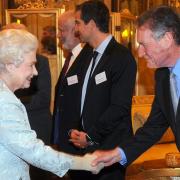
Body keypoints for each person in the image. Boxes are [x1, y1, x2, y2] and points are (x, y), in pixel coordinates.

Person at [0, 28, 103, 179]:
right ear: (10, 65)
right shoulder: (4, 102)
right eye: (31, 65)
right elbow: (32, 151)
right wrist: (83, 163)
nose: (35, 72)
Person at [92, 5, 180, 169]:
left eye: (144, 44)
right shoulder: (162, 77)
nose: (139, 53)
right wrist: (118, 153)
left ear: (167, 39)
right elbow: (154, 127)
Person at [68, 1, 137, 180]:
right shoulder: (88, 55)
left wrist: (90, 136)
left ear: (91, 24)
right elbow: (83, 99)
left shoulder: (122, 57)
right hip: (85, 148)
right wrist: (75, 131)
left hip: (110, 152)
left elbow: (119, 107)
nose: (76, 29)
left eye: (78, 23)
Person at [3, 23, 52, 180]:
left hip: (37, 126)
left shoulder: (41, 61)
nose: (34, 72)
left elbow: (43, 97)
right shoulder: (6, 103)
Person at [51, 10, 92, 155]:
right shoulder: (71, 57)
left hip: (79, 142)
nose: (58, 35)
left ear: (75, 30)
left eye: (61, 30)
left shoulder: (89, 57)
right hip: (66, 140)